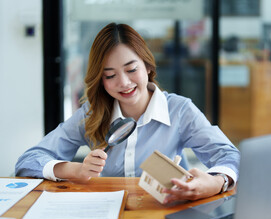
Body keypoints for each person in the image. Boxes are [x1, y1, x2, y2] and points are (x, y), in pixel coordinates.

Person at [16, 23, 240, 204]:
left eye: (131, 70)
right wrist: (78, 169)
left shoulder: (180, 110)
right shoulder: (91, 114)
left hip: (161, 213)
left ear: (148, 67)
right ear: (100, 80)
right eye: (110, 75)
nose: (123, 83)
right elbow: (27, 162)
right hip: (107, 213)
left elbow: (231, 157)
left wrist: (216, 182)